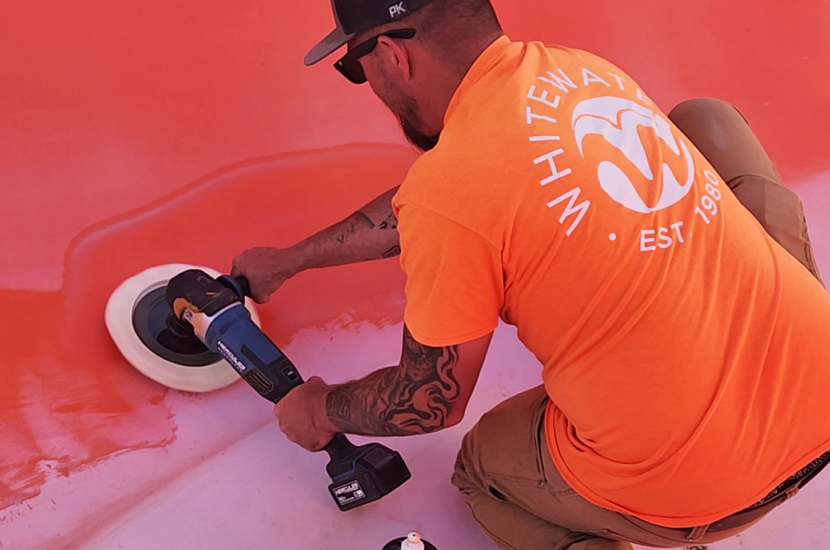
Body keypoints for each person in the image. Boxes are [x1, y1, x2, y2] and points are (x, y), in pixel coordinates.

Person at [231, 1, 830, 548]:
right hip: (818, 396)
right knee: (705, 121)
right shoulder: (584, 72)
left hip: (700, 494)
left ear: (392, 54)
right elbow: (449, 194)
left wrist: (319, 411)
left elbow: (429, 401)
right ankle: (786, 309)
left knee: (483, 471)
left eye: (357, 68)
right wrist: (292, 259)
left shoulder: (454, 189)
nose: (372, 85)